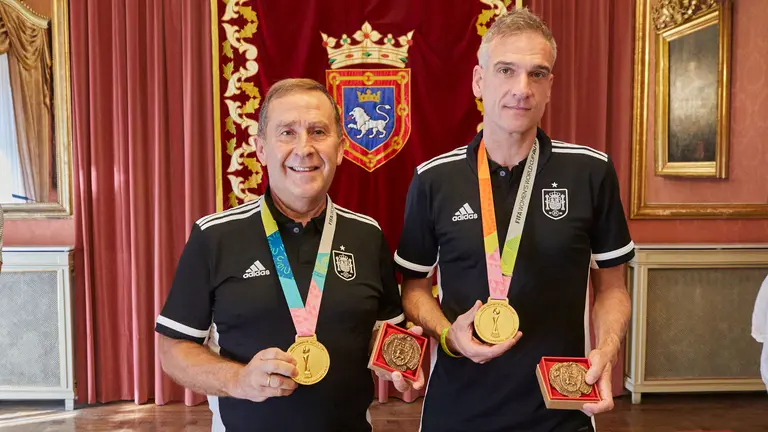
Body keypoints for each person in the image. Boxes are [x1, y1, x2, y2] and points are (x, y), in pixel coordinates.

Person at [394, 8, 633, 432]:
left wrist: (608, 349)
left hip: (559, 409)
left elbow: (612, 287)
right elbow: (413, 288)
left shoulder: (591, 172)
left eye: (536, 74)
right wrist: (449, 334)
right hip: (458, 406)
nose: (522, 89)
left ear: (550, 87)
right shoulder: (433, 178)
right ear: (478, 80)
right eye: (506, 70)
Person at [155, 78, 424, 432]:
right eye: (286, 133)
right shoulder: (214, 236)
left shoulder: (367, 235)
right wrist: (240, 380)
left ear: (341, 148)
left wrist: (397, 361)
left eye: (318, 131)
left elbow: (381, 331)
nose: (304, 148)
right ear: (261, 149)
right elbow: (173, 349)